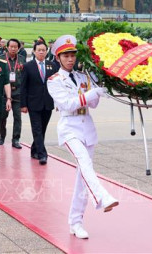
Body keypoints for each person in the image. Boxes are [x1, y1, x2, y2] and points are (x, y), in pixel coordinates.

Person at [47, 35, 119, 239]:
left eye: (72, 55)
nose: (70, 59)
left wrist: (98, 87)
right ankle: (102, 197)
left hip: (87, 128)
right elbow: (69, 104)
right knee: (85, 164)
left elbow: (92, 105)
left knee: (82, 177)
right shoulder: (54, 81)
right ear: (58, 58)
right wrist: (92, 93)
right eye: (66, 56)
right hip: (69, 128)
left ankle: (76, 222)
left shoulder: (82, 77)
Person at [20, 41, 57, 165]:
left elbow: (57, 85)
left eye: (43, 50)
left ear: (47, 51)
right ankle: (42, 154)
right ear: (34, 51)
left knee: (42, 129)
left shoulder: (52, 66)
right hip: (33, 103)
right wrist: (23, 104)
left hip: (48, 102)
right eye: (39, 50)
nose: (41, 52)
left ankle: (34, 149)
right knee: (37, 129)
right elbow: (23, 87)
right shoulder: (27, 66)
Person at [0, 38, 25, 149]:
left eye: (15, 47)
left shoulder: (22, 59)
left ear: (18, 48)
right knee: (3, 118)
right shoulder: (1, 59)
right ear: (7, 47)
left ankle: (16, 139)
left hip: (18, 93)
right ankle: (2, 136)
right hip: (4, 94)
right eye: (11, 46)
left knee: (17, 118)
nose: (13, 49)